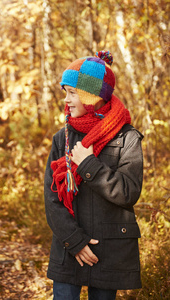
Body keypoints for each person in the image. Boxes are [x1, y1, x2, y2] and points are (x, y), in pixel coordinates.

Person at [44, 50, 143, 300]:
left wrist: (88, 164)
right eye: (65, 92)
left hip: (108, 249)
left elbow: (128, 192)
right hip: (69, 248)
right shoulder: (62, 138)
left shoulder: (126, 138)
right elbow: (52, 198)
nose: (66, 100)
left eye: (72, 93)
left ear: (93, 96)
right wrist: (75, 242)